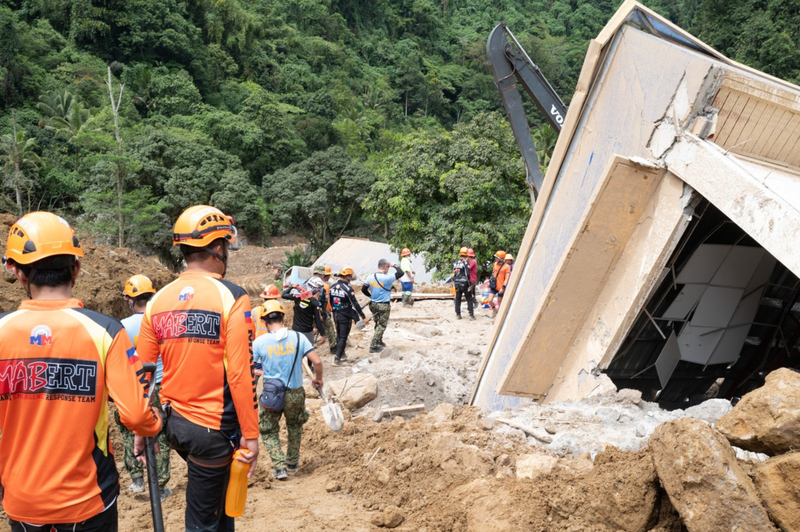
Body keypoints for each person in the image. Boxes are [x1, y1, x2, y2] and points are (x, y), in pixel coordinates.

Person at [0, 212, 162, 531]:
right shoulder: (105, 331)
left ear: (17, 272)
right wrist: (154, 420)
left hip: (22, 500)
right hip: (88, 498)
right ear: (76, 268)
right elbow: (135, 416)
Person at [137, 205, 258, 532]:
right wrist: (251, 435)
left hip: (174, 425)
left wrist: (139, 428)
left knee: (218, 510)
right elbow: (240, 372)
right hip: (212, 431)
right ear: (218, 247)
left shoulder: (157, 301)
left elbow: (144, 374)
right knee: (203, 522)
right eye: (226, 246)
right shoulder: (232, 297)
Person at [252, 300, 323, 480]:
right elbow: (317, 362)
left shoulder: (259, 342)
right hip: (295, 393)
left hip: (271, 394)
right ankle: (292, 462)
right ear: (283, 317)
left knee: (268, 430)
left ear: (263, 320)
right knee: (295, 426)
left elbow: (252, 369)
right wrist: (318, 379)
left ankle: (279, 466)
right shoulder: (299, 337)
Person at [119, 274, 172, 501]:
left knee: (130, 432)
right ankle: (159, 487)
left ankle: (137, 480)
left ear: (131, 300)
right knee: (160, 432)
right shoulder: (162, 321)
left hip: (134, 387)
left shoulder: (121, 327)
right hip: (161, 385)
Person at [329, 267, 368, 366]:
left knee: (339, 335)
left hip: (336, 313)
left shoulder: (332, 287)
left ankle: (341, 354)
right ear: (348, 276)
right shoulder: (347, 288)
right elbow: (355, 303)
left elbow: (331, 301)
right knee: (343, 336)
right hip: (345, 315)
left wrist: (335, 310)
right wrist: (363, 316)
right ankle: (337, 359)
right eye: (350, 276)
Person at [367, 259, 403, 353]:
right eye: (388, 267)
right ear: (385, 267)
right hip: (383, 305)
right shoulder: (388, 278)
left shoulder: (370, 277)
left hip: (373, 304)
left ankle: (379, 340)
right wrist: (394, 264)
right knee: (382, 325)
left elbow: (363, 289)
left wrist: (370, 295)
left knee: (377, 323)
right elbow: (400, 272)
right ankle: (373, 345)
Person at [282, 277, 325, 347]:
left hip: (295, 330)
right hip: (307, 331)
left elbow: (284, 295)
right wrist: (322, 334)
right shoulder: (314, 302)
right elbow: (317, 319)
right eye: (318, 288)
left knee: (296, 353)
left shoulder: (297, 297)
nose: (319, 290)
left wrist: (291, 287)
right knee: (310, 353)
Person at [312, 265, 337, 353]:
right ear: (321, 274)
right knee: (329, 327)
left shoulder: (307, 282)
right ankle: (333, 348)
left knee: (311, 329)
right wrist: (324, 312)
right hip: (320, 310)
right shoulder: (323, 285)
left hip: (308, 311)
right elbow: (324, 301)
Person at [485, 250, 511, 318]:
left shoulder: (507, 267)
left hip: (501, 287)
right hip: (494, 286)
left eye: (497, 258)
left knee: (500, 302)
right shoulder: (495, 264)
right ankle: (494, 309)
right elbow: (493, 274)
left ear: (501, 259)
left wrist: (503, 287)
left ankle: (499, 316)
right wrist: (489, 282)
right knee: (489, 300)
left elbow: (507, 278)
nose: (496, 259)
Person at [452, 247, 474, 320]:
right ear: (466, 255)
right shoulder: (465, 263)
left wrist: (455, 282)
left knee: (458, 298)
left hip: (457, 283)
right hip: (465, 283)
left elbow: (455, 274)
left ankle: (458, 314)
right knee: (469, 299)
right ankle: (471, 315)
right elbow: (467, 274)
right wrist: (470, 284)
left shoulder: (455, 263)